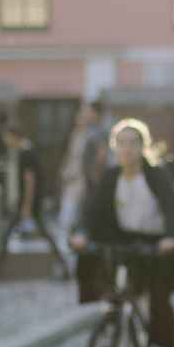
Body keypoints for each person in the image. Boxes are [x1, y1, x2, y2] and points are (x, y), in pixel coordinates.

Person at [71, 118, 174, 347]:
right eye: (121, 143)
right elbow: (93, 209)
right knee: (116, 293)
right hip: (123, 241)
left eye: (133, 143)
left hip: (157, 245)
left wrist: (171, 237)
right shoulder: (111, 176)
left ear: (142, 146)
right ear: (115, 147)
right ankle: (122, 341)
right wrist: (83, 233)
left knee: (159, 303)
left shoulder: (155, 175)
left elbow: (172, 208)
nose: (127, 148)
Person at [0, 122, 70, 282]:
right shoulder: (27, 151)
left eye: (6, 137)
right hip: (31, 202)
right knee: (42, 234)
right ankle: (65, 267)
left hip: (30, 203)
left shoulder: (26, 154)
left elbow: (30, 180)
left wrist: (26, 206)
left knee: (11, 234)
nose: (5, 141)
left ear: (12, 135)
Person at [56, 101, 109, 268]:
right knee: (68, 221)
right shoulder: (81, 133)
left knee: (71, 220)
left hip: (82, 184)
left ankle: (68, 261)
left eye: (86, 112)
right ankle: (66, 260)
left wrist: (93, 175)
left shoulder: (98, 132)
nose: (83, 115)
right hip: (73, 183)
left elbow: (102, 154)